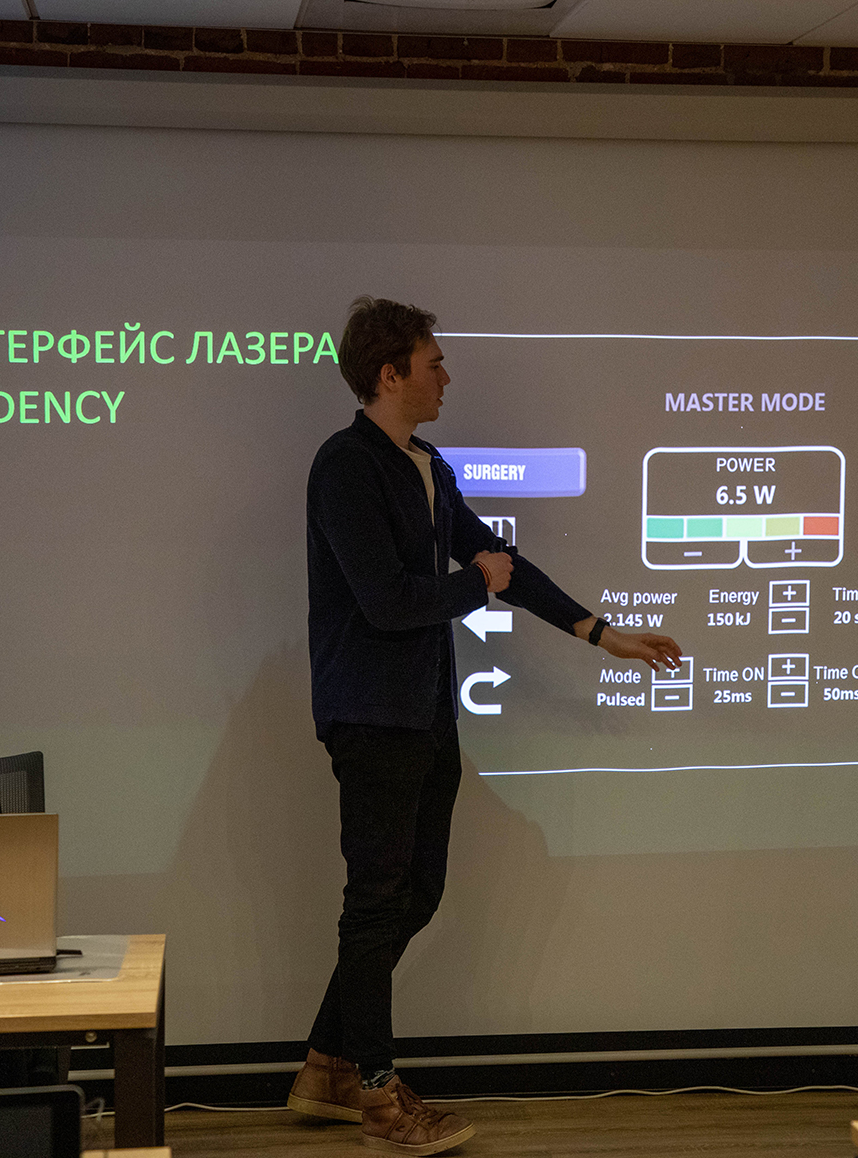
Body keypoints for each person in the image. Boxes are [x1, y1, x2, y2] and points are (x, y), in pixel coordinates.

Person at [291, 296, 684, 1154]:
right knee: (376, 902)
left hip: (426, 713)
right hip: (370, 714)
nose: (447, 377)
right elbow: (389, 602)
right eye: (433, 363)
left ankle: (328, 1066)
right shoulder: (346, 466)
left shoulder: (425, 463)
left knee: (415, 894)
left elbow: (503, 562)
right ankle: (378, 1094)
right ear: (389, 373)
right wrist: (479, 582)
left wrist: (602, 633)